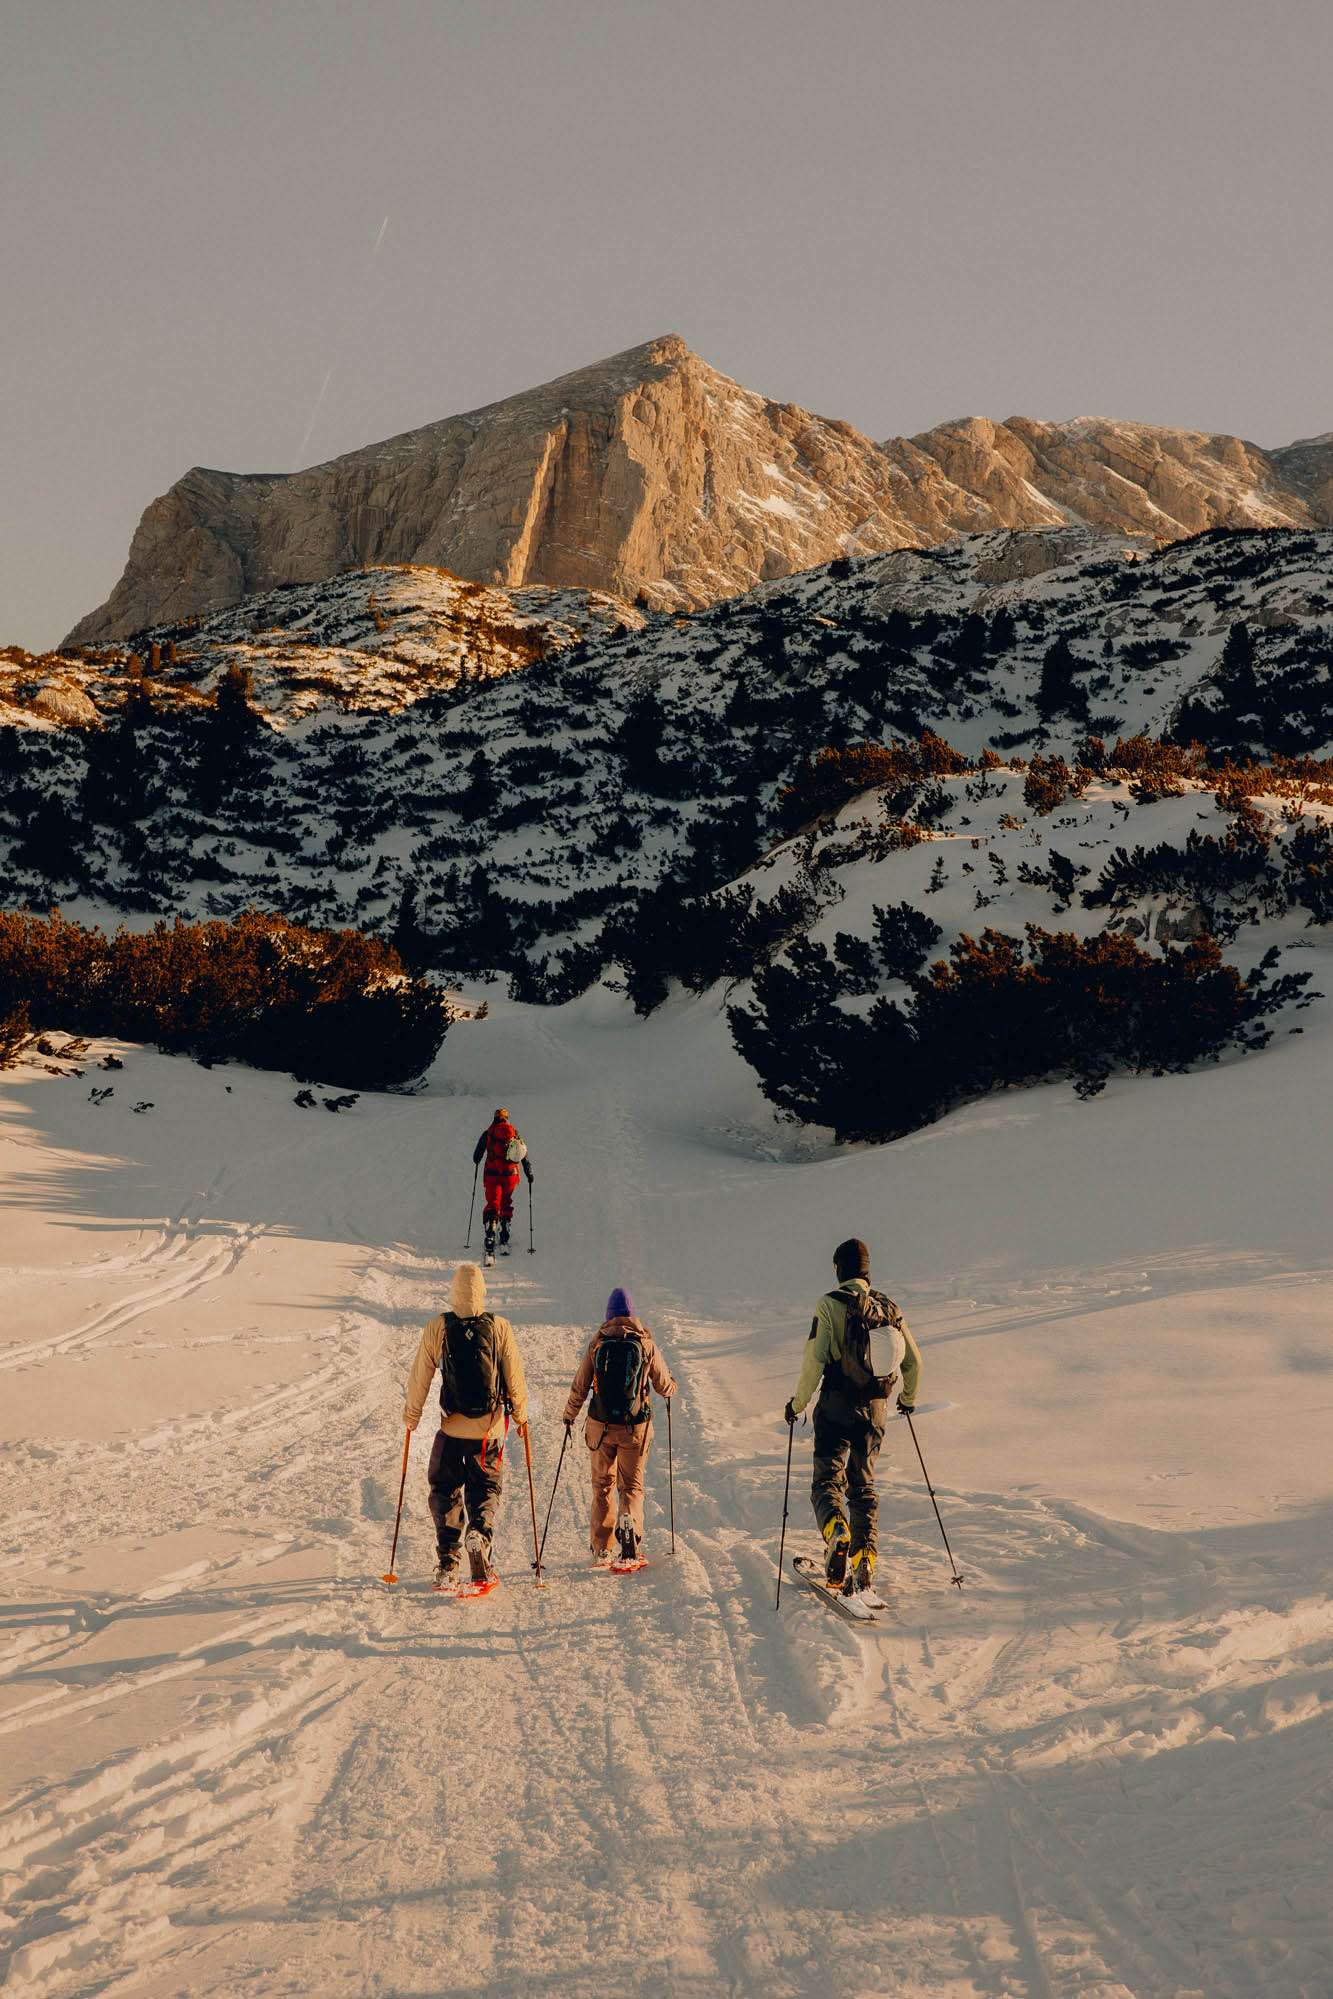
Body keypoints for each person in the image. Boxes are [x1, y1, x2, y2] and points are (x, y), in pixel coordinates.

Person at [783, 1237, 920, 1600]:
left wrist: (797, 1405)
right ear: (867, 1269)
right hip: (876, 1410)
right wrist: (906, 1399)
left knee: (827, 1481)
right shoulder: (889, 1307)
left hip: (836, 1406)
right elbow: (914, 1363)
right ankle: (864, 1561)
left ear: (838, 1269)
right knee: (863, 1487)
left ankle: (836, 1534)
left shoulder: (830, 1304)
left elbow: (815, 1360)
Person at [402, 1261, 529, 1590]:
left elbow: (420, 1376)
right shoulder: (499, 1326)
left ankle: (447, 1562)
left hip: (451, 1430)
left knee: (443, 1489)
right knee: (485, 1488)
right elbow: (514, 1376)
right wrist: (521, 1416)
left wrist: (411, 1417)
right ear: (482, 1291)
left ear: (454, 1292)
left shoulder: (438, 1327)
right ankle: (479, 1536)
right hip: (489, 1431)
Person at [562, 1286, 676, 1566]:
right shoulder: (646, 1344)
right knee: (631, 1486)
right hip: (634, 1428)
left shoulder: (597, 1343)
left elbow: (580, 1385)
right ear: (633, 1315)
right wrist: (671, 1387)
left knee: (602, 1485)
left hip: (599, 1427)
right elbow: (663, 1386)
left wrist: (569, 1415)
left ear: (608, 1316)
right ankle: (630, 1528)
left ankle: (602, 1546)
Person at [472, 1107, 535, 1262]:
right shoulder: (514, 1133)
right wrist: (529, 1172)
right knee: (506, 1202)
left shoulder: (488, 1133)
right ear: (507, 1118)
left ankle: (490, 1232)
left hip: (492, 1176)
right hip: (511, 1176)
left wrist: (480, 1160)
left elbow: (476, 1156)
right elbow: (524, 1154)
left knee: (493, 1203)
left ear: (494, 1118)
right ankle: (504, 1230)